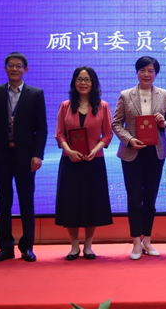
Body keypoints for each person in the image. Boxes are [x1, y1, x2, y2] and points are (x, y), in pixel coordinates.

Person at [0, 52, 47, 263]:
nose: (14, 69)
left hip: (26, 157)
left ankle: (27, 247)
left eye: (19, 66)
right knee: (4, 202)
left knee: (26, 202)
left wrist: (37, 155)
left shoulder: (35, 94)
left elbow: (42, 128)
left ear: (25, 70)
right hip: (2, 156)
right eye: (11, 65)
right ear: (5, 68)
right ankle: (5, 247)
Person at [112, 56, 166, 260]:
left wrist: (163, 123)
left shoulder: (164, 94)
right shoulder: (125, 95)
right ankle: (136, 243)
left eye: (150, 71)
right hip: (132, 152)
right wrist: (129, 140)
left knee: (150, 198)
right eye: (142, 70)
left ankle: (147, 239)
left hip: (155, 152)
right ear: (137, 72)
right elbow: (116, 123)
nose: (146, 74)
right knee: (134, 198)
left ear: (156, 73)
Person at [55, 66, 113, 260]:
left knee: (92, 202)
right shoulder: (65, 106)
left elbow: (108, 134)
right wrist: (69, 151)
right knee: (70, 203)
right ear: (74, 82)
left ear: (93, 83)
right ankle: (74, 246)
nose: (83, 83)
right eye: (79, 79)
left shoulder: (103, 106)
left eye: (87, 79)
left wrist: (95, 150)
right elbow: (59, 134)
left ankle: (88, 245)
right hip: (70, 161)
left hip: (94, 161)